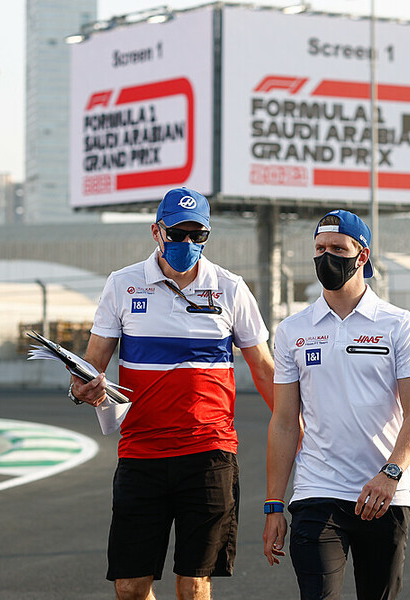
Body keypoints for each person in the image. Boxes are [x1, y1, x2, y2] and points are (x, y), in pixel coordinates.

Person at [69, 187, 274, 600]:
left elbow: (265, 370)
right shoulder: (122, 284)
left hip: (209, 453)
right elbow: (90, 368)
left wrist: (301, 428)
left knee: (194, 585)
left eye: (198, 235)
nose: (187, 243)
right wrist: (82, 389)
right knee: (130, 587)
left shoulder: (231, 288)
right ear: (156, 232)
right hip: (141, 453)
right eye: (177, 234)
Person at [263, 209, 410, 600]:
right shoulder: (291, 330)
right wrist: (273, 505)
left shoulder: (398, 323)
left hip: (385, 495)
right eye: (320, 248)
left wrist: (390, 473)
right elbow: (284, 422)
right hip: (316, 491)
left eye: (338, 248)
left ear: (362, 255)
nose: (327, 256)